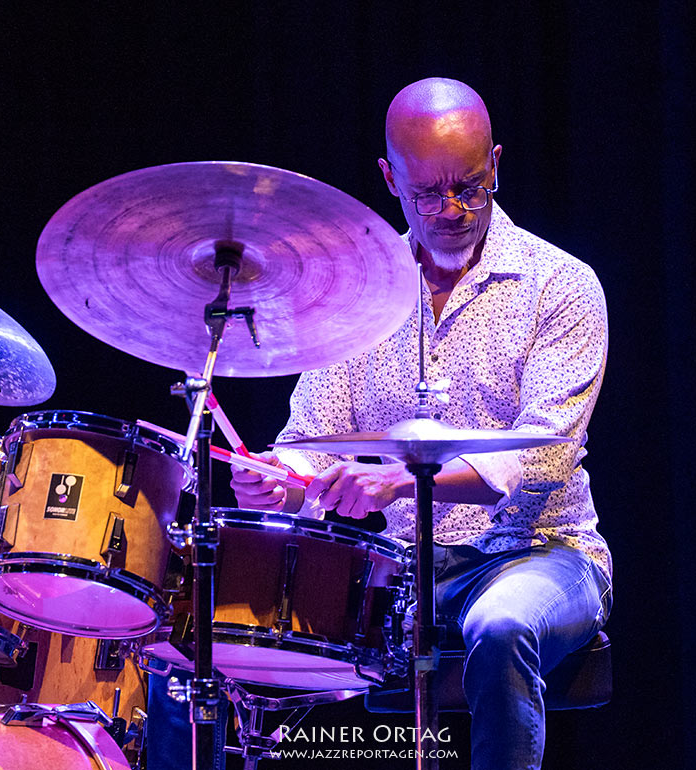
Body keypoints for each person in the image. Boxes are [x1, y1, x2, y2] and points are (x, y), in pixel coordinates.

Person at [230, 77, 612, 770]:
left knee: (500, 627)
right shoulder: (358, 297)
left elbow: (540, 462)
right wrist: (278, 483)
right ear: (388, 178)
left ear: (495, 162)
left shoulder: (563, 286)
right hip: (406, 572)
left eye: (470, 184)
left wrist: (398, 486)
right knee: (230, 641)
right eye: (427, 193)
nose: (453, 208)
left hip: (541, 552)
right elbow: (310, 444)